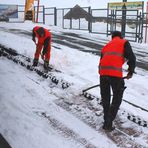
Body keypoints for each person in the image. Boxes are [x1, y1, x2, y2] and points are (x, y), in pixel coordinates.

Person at [99, 31, 136, 131]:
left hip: (103, 74)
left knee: (105, 99)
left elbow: (101, 60)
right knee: (117, 97)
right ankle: (108, 122)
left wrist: (103, 74)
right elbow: (132, 58)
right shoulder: (124, 42)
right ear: (121, 37)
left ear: (112, 37)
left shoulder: (106, 45)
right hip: (115, 75)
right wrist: (130, 72)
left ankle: (106, 120)